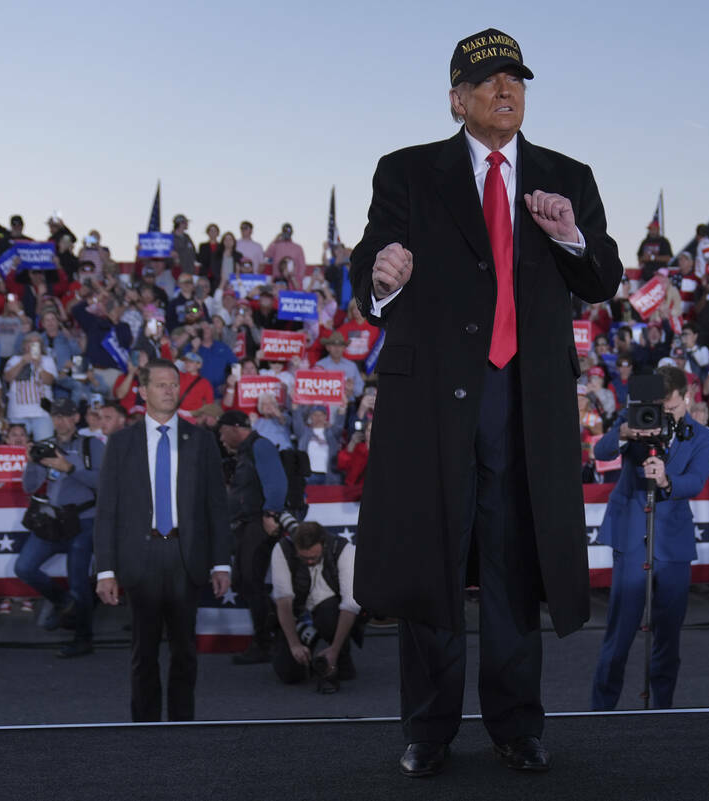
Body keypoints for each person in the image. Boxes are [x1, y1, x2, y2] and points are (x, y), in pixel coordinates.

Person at [349, 27, 622, 778]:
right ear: (457, 98)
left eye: (518, 81)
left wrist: (568, 236)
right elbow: (366, 267)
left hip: (522, 401)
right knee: (433, 561)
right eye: (491, 81)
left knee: (513, 562)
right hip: (434, 400)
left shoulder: (568, 176)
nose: (508, 92)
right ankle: (428, 729)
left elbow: (604, 276)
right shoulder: (406, 172)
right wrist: (383, 275)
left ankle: (515, 724)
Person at [93, 358, 231, 721]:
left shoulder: (200, 441)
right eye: (161, 385)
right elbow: (107, 510)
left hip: (187, 558)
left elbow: (216, 506)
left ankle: (183, 724)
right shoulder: (121, 443)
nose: (170, 391)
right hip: (141, 558)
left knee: (185, 650)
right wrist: (105, 570)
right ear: (143, 391)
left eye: (174, 384)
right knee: (144, 652)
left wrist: (221, 562)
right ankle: (145, 727)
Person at [590, 365, 709, 709]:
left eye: (672, 408)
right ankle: (599, 714)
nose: (666, 414)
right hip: (631, 536)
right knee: (619, 634)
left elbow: (697, 481)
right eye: (661, 407)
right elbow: (601, 452)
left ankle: (662, 712)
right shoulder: (637, 419)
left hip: (672, 545)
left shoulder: (703, 437)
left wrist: (665, 482)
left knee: (668, 637)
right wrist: (627, 432)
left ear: (687, 399)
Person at [15, 398, 104, 657]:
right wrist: (32, 461)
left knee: (78, 581)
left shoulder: (91, 444)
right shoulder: (48, 446)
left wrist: (70, 467)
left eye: (66, 416)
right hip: (54, 520)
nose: (61, 421)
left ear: (77, 418)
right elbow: (29, 487)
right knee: (24, 567)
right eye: (56, 416)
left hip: (85, 518)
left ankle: (83, 638)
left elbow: (104, 480)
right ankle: (65, 603)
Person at [218, 410, 288, 666]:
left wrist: (271, 514)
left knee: (250, 580)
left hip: (259, 522)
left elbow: (277, 483)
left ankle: (266, 641)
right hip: (248, 523)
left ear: (235, 427)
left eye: (222, 431)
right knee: (245, 580)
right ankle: (277, 631)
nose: (221, 437)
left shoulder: (261, 446)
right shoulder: (246, 452)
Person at [269, 521, 363, 688]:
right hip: (298, 614)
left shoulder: (344, 550)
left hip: (330, 612)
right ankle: (306, 657)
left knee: (329, 614)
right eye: (304, 558)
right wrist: (294, 645)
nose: (310, 562)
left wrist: (334, 650)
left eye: (314, 557)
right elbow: (283, 601)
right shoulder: (282, 549)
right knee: (290, 674)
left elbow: (350, 605)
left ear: (323, 543)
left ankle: (340, 655)